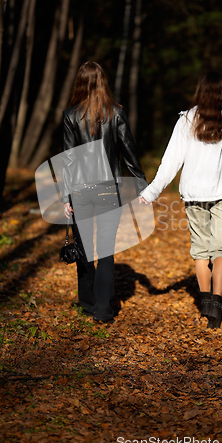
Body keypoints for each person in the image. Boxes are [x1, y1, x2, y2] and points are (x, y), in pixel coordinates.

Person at [139, 71, 222, 328]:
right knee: (221, 250)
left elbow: (171, 161)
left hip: (194, 194)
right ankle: (217, 306)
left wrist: (152, 192)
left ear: (200, 92)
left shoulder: (187, 120)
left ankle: (205, 303)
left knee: (200, 250)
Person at [62, 61, 147, 323]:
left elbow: (68, 159)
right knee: (107, 251)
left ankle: (87, 304)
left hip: (80, 192)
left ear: (79, 83)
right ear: (103, 83)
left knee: (85, 250)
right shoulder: (116, 113)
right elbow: (129, 151)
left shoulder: (70, 115)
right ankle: (104, 310)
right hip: (109, 191)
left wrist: (66, 196)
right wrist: (143, 184)